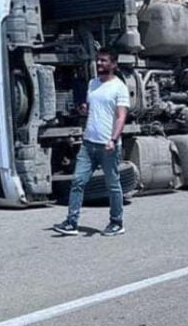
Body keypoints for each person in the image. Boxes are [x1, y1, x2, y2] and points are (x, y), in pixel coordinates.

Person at [53, 50, 130, 237]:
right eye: (98, 60)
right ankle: (71, 222)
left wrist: (113, 139)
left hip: (107, 145)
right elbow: (94, 109)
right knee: (78, 181)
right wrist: (84, 109)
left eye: (104, 61)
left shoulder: (119, 87)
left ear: (113, 64)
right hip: (89, 143)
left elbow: (121, 117)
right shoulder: (93, 83)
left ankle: (116, 222)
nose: (99, 63)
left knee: (112, 184)